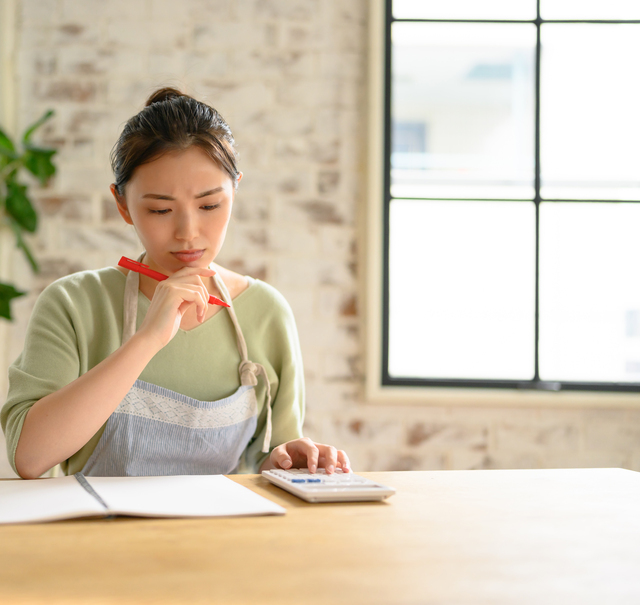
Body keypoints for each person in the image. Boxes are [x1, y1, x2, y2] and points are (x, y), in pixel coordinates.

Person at [1, 87, 350, 480]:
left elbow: (267, 459)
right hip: (98, 537)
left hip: (224, 537)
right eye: (160, 209)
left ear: (235, 191)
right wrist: (147, 338)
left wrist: (290, 459)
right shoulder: (72, 303)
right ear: (122, 205)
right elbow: (29, 458)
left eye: (209, 206)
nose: (188, 232)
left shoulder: (266, 311)